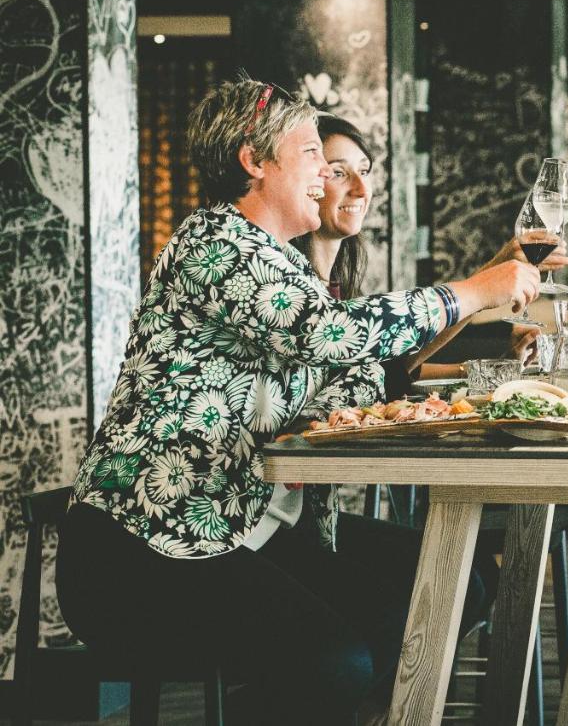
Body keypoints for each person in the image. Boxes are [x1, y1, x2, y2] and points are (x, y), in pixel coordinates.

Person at [56, 79, 540, 726]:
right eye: (313, 153)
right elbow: (331, 335)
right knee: (334, 660)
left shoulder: (281, 266)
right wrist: (472, 290)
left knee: (436, 593)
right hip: (140, 549)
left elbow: (354, 371)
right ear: (254, 161)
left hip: (243, 525)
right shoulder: (214, 243)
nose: (326, 173)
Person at [294, 113, 568, 384]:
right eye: (338, 173)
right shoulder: (295, 292)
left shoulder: (337, 282)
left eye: (365, 171)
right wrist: (479, 288)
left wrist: (500, 367)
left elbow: (388, 372)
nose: (362, 189)